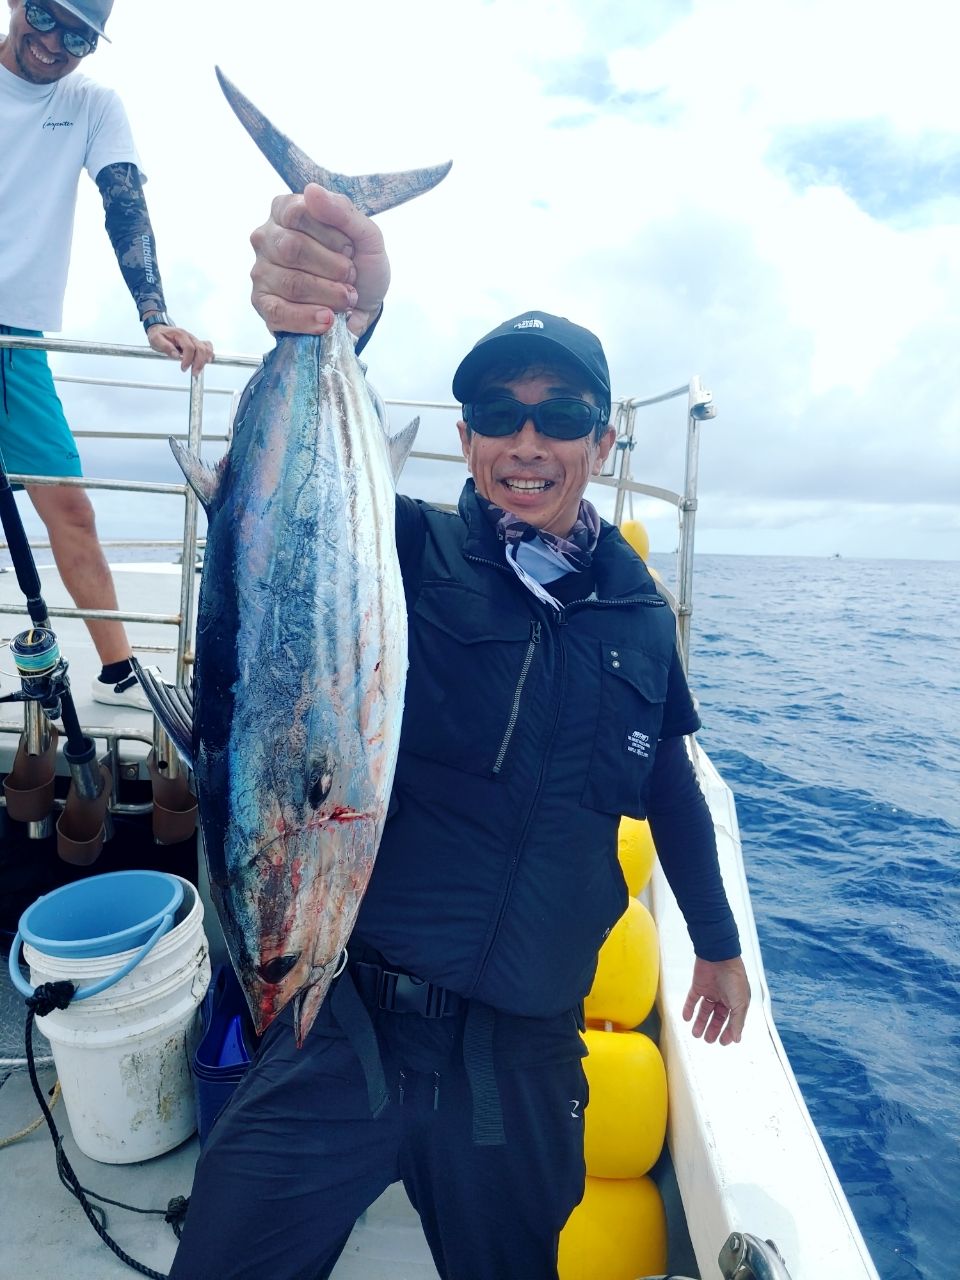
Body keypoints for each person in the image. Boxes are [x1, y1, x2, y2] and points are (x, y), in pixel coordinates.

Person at [169, 184, 751, 1280]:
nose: (527, 440)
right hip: (347, 1021)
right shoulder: (406, 554)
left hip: (521, 1061)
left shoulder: (638, 614)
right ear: (466, 432)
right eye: (497, 411)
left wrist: (716, 943)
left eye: (561, 414)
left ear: (604, 434)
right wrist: (343, 310)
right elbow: (294, 522)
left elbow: (667, 776)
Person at [0, 0, 214, 709]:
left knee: (71, 509)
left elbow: (123, 200)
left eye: (80, 35)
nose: (55, 42)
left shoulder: (92, 103)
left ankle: (120, 671)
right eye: (44, 14)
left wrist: (154, 313)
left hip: (16, 344)